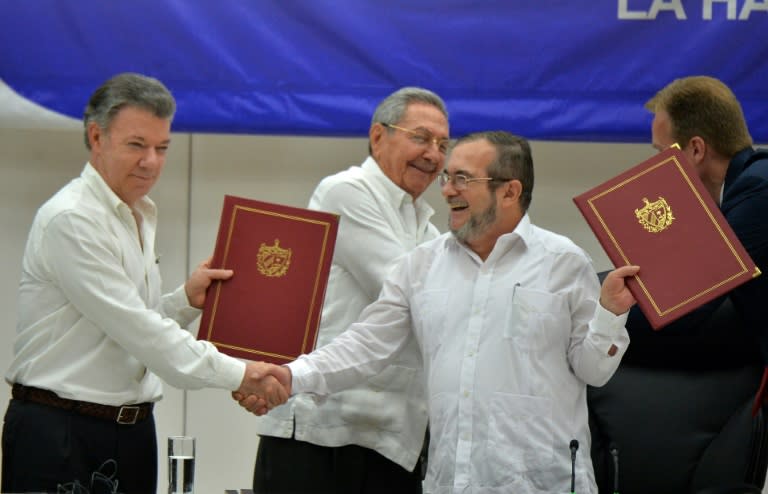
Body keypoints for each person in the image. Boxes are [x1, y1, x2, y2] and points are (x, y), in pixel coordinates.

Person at [240, 131, 640, 493]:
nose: (446, 190)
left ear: (509, 191)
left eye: (462, 179)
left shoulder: (564, 262)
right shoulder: (421, 265)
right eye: (447, 178)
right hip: (450, 481)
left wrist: (610, 313)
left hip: (542, 483)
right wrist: (291, 376)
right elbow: (364, 346)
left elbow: (594, 370)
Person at [1, 72, 284, 494]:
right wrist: (240, 373)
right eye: (137, 145)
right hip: (61, 435)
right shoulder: (74, 218)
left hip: (129, 433)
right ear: (97, 137)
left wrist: (187, 300)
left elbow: (126, 331)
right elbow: (140, 330)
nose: (151, 161)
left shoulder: (138, 213)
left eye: (162, 147)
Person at [251, 87, 450, 494]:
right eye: (421, 137)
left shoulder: (428, 230)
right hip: (320, 433)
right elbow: (409, 294)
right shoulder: (346, 191)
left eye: (443, 144)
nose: (433, 154)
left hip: (390, 439)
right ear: (378, 136)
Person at [621, 76, 768, 371]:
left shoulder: (757, 196)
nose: (656, 170)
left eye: (661, 154)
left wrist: (594, 320)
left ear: (697, 149)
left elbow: (683, 309)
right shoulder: (751, 184)